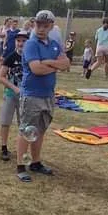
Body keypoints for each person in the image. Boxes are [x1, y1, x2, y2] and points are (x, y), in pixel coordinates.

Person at [16, 10, 69, 181]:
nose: (41, 28)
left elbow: (66, 64)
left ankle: (36, 162)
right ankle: (20, 166)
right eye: (38, 24)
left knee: (40, 130)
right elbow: (36, 69)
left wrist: (49, 63)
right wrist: (56, 66)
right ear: (34, 25)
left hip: (48, 95)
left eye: (45, 25)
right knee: (26, 130)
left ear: (51, 26)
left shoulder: (54, 44)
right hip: (32, 94)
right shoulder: (31, 44)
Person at [0, 31, 28, 161]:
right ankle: (4, 147)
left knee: (24, 123)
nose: (21, 43)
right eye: (18, 41)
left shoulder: (31, 58)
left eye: (23, 41)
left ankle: (22, 150)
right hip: (11, 94)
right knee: (5, 121)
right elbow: (1, 76)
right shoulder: (11, 57)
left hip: (26, 96)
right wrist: (14, 88)